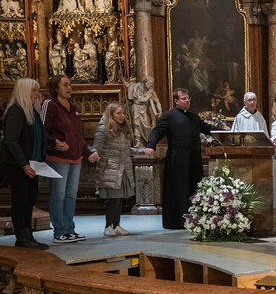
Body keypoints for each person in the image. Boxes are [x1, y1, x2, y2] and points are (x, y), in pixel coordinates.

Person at [0, 78, 63, 250]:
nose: (38, 94)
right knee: (21, 200)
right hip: (18, 165)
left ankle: (28, 236)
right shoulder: (16, 111)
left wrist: (53, 143)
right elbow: (11, 141)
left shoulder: (32, 112)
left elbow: (38, 135)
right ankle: (21, 237)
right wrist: (24, 165)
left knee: (29, 200)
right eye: (34, 90)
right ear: (24, 92)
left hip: (33, 163)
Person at [143, 88, 218, 229]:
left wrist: (227, 131)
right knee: (179, 189)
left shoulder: (194, 117)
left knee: (194, 188)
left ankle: (195, 219)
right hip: (177, 159)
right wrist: (151, 145)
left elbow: (207, 128)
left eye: (188, 98)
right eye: (184, 98)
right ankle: (178, 221)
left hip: (194, 159)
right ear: (176, 101)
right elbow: (157, 131)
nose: (187, 100)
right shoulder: (169, 116)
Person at [41, 74, 99, 243]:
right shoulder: (50, 104)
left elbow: (78, 135)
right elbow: (41, 130)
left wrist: (88, 153)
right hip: (58, 157)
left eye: (70, 85)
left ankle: (69, 229)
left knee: (71, 195)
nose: (69, 88)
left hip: (75, 158)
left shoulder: (73, 106)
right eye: (65, 85)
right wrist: (54, 143)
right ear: (55, 88)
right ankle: (59, 231)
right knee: (59, 195)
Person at [94, 102, 142, 237]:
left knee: (119, 198)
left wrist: (140, 151)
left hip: (123, 168)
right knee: (113, 199)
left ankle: (116, 225)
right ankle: (108, 226)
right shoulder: (104, 129)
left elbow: (126, 149)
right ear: (111, 114)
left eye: (123, 113)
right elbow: (97, 145)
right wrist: (94, 153)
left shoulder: (123, 129)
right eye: (118, 113)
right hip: (111, 168)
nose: (122, 116)